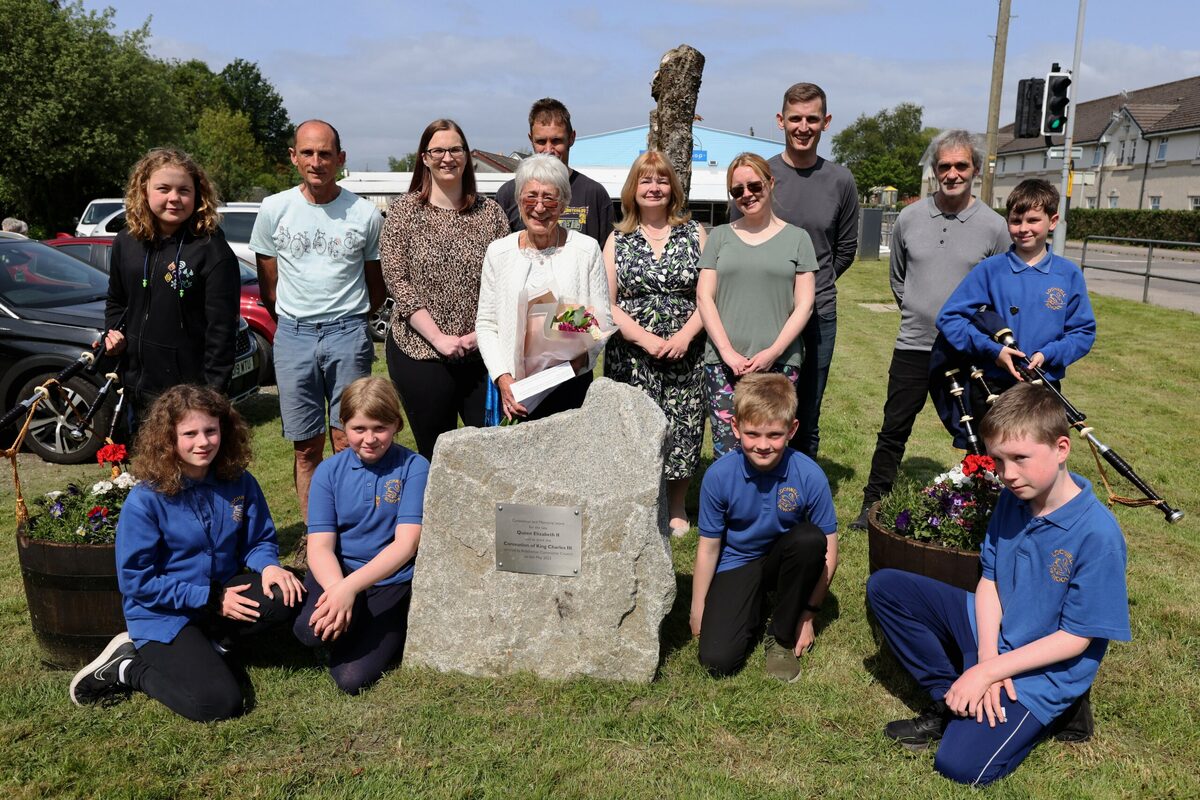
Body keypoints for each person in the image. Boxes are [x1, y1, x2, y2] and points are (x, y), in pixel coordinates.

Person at [866, 382, 1130, 786]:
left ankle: (1060, 709)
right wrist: (985, 663)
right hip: (997, 633)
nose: (1007, 474)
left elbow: (1076, 638)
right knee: (887, 588)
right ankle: (950, 698)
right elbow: (989, 579)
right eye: (998, 461)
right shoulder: (1015, 497)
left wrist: (990, 672)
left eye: (1020, 458)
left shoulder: (1098, 534)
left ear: (1062, 448)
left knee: (960, 767)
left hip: (1046, 666)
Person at [68, 385, 305, 722]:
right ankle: (129, 667)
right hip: (163, 615)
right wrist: (210, 598)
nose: (203, 442)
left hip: (220, 596)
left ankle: (216, 641)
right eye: (190, 433)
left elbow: (258, 541)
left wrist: (268, 567)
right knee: (219, 703)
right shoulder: (146, 500)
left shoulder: (239, 481)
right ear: (169, 439)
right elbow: (137, 580)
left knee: (287, 592)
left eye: (210, 430)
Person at [850, 131, 1011, 530]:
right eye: (944, 166)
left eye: (961, 166)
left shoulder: (994, 227)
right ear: (934, 169)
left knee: (980, 432)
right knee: (893, 428)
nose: (952, 173)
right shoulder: (909, 218)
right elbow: (899, 278)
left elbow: (1000, 291)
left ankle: (985, 508)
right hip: (913, 344)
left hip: (967, 350)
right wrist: (920, 310)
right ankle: (873, 504)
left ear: (974, 170)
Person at [249, 120, 387, 521]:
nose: (316, 161)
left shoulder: (364, 214)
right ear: (293, 157)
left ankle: (353, 527)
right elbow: (269, 282)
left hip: (347, 333)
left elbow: (375, 285)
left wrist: (352, 318)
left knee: (350, 439)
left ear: (340, 159)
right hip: (294, 336)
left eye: (325, 153)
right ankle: (316, 532)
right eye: (307, 153)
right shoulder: (274, 209)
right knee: (306, 446)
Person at [733, 83, 860, 458]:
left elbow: (845, 249)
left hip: (818, 313)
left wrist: (810, 285)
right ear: (780, 121)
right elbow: (737, 236)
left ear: (826, 123)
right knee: (757, 404)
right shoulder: (760, 175)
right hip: (762, 313)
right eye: (795, 119)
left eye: (812, 119)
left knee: (806, 409)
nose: (803, 127)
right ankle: (749, 487)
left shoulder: (841, 181)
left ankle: (797, 491)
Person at [691, 373, 838, 682]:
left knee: (810, 540)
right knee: (717, 660)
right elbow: (708, 546)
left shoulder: (810, 475)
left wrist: (809, 615)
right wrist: (698, 607)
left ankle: (781, 635)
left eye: (774, 435)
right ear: (735, 427)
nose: (762, 445)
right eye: (752, 434)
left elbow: (829, 547)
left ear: (792, 429)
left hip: (786, 558)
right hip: (738, 562)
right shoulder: (718, 476)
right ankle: (751, 606)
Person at [380, 119, 510, 460]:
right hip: (419, 351)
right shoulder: (403, 212)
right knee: (435, 453)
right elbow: (397, 279)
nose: (447, 157)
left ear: (467, 157)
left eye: (455, 149)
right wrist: (438, 338)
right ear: (424, 158)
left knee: (488, 454)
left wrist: (477, 336)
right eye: (438, 150)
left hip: (481, 353)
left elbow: (505, 282)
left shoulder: (491, 214)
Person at [292, 377, 428, 694]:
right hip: (337, 572)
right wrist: (338, 589)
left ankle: (386, 626)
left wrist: (350, 590)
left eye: (379, 428)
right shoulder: (328, 471)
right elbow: (321, 546)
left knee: (351, 679)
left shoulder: (414, 466)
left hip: (388, 579)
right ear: (344, 426)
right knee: (307, 632)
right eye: (358, 429)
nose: (369, 439)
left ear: (396, 425)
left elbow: (406, 544)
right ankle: (353, 625)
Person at [603, 151, 707, 535]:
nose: (654, 187)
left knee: (684, 426)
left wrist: (684, 335)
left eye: (661, 180)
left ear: (672, 189)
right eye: (646, 181)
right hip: (632, 355)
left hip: (686, 352)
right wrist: (645, 339)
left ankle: (677, 505)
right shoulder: (618, 238)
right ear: (633, 189)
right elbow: (606, 303)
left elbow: (708, 296)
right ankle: (640, 502)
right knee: (632, 429)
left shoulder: (694, 232)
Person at [103, 148, 240, 430]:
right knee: (144, 470)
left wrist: (211, 397)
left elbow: (222, 331)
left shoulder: (212, 251)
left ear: (198, 195)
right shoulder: (125, 242)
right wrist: (111, 333)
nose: (174, 198)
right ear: (144, 190)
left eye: (184, 190)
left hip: (190, 396)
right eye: (163, 189)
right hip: (136, 388)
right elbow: (116, 301)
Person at [696, 153, 817, 457]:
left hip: (779, 363)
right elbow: (704, 298)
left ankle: (771, 506)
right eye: (737, 191)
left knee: (770, 449)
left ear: (770, 183)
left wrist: (772, 352)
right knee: (727, 448)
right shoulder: (720, 237)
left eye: (754, 185)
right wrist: (727, 353)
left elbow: (804, 305)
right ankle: (729, 505)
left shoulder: (798, 239)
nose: (747, 195)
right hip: (724, 364)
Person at [476, 154, 613, 421]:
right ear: (518, 201)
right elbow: (486, 323)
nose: (540, 207)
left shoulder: (585, 250)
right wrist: (503, 378)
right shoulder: (499, 252)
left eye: (549, 198)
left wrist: (577, 363)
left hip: (570, 384)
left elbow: (601, 321)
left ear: (563, 204)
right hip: (515, 391)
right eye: (531, 197)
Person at [936, 179, 1095, 408]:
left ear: (1053, 221)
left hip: (1044, 387)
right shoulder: (990, 270)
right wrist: (994, 351)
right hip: (992, 387)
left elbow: (1083, 332)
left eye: (1033, 220)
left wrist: (1049, 354)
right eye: (1016, 221)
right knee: (992, 446)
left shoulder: (1068, 274)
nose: (1023, 229)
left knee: (1039, 444)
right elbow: (949, 318)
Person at [495, 98, 613, 247]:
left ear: (571, 138)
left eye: (556, 140)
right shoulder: (508, 194)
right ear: (531, 140)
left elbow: (607, 258)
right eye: (541, 142)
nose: (549, 150)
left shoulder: (594, 194)